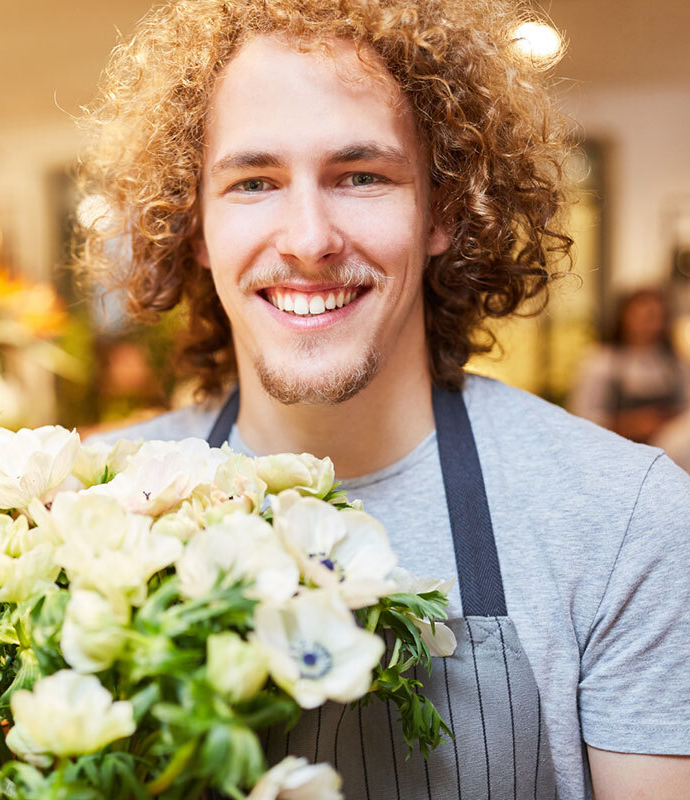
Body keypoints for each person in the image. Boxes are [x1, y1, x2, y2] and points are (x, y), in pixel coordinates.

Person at [76, 1, 690, 798]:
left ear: (441, 208)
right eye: (253, 182)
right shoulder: (89, 511)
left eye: (360, 176)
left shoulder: (621, 521)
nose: (308, 239)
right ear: (196, 227)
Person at [569, 287, 690, 443]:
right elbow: (581, 417)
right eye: (647, 317)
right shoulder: (602, 362)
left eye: (659, 318)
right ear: (625, 317)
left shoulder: (674, 363)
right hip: (615, 450)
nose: (654, 326)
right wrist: (631, 424)